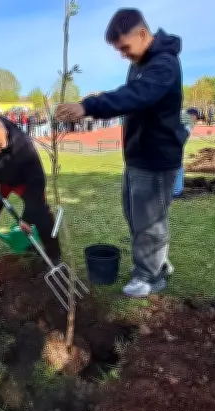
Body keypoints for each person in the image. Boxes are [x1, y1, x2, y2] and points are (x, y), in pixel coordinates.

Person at [56, 8, 185, 297]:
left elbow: (137, 96)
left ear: (142, 34)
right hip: (137, 154)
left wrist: (89, 107)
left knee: (150, 220)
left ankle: (150, 276)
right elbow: (128, 93)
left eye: (124, 47)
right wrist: (96, 99)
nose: (123, 54)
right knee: (135, 215)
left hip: (156, 156)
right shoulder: (140, 63)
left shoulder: (164, 64)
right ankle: (155, 262)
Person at [0, 116, 61, 264]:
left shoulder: (24, 147)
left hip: (23, 180)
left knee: (41, 212)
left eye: (0, 147)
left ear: (6, 134)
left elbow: (37, 183)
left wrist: (27, 218)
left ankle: (53, 257)